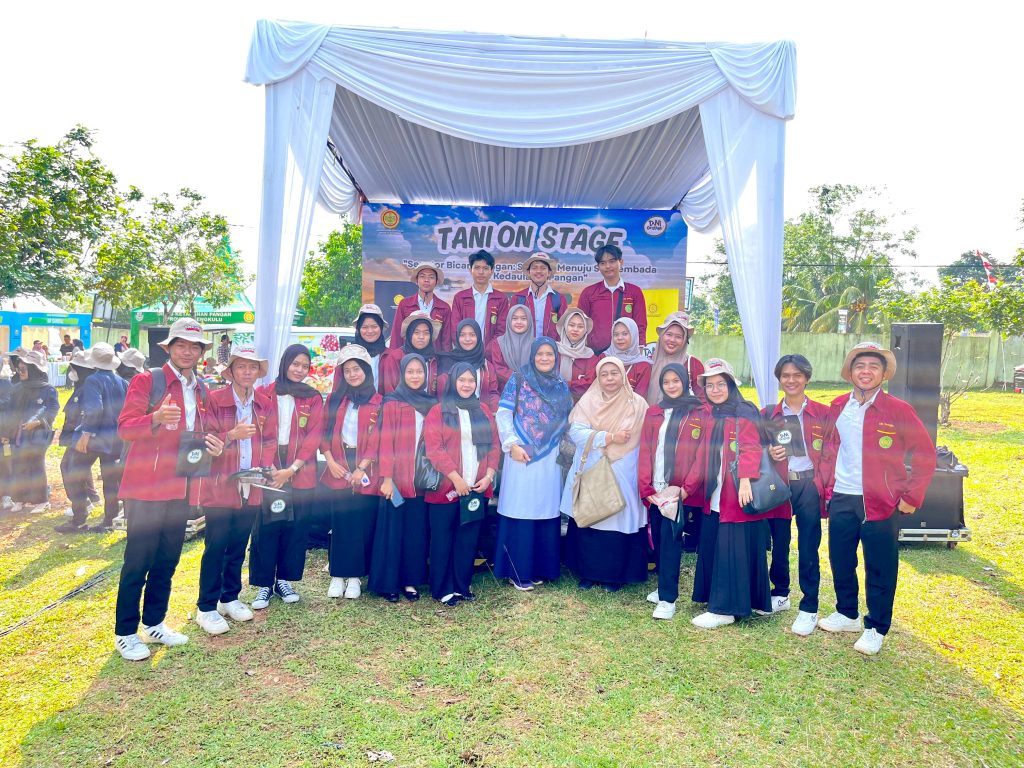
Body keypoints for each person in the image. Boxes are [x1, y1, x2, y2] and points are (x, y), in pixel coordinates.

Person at [114, 318, 225, 661]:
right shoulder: (148, 380)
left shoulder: (201, 388)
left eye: (194, 347)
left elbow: (207, 431)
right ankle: (125, 632)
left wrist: (215, 444)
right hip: (146, 487)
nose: (188, 352)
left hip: (182, 485)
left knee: (167, 559)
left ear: (202, 352)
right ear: (169, 347)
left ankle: (154, 622)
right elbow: (124, 428)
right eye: (181, 345)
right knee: (137, 561)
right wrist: (155, 418)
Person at [817, 342, 935, 655]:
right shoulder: (838, 406)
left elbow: (925, 453)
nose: (866, 372)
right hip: (842, 496)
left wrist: (911, 496)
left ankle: (876, 627)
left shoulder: (898, 409)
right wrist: (827, 489)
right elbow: (829, 449)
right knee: (841, 558)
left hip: (880, 501)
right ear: (850, 372)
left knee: (880, 566)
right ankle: (847, 613)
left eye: (873, 366)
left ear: (883, 374)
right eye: (860, 366)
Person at [682, 359, 771, 629]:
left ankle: (725, 609)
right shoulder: (713, 415)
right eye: (710, 385)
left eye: (721, 384)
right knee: (716, 543)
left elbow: (751, 448)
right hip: (716, 493)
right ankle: (725, 597)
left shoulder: (744, 411)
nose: (715, 390)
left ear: (731, 385)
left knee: (732, 547)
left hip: (737, 493)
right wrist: (686, 489)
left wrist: (745, 481)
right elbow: (702, 457)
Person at [194, 344, 277, 635]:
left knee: (239, 544)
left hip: (251, 485)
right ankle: (206, 606)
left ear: (258, 372)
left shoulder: (264, 402)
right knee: (216, 545)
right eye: (241, 366)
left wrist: (264, 466)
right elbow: (205, 438)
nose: (247, 372)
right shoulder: (215, 399)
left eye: (252, 367)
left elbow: (270, 439)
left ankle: (229, 597)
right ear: (230, 371)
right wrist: (231, 435)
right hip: (220, 484)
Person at [561, 357, 649, 591]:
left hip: (625, 466)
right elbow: (576, 432)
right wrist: (608, 437)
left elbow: (642, 437)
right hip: (593, 464)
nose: (609, 378)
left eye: (614, 373)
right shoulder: (588, 400)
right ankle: (587, 573)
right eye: (604, 374)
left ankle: (614, 576)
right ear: (598, 377)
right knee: (591, 516)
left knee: (618, 518)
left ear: (623, 375)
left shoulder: (637, 404)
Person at [494, 338, 573, 590]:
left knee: (544, 508)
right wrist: (511, 444)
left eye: (549, 354)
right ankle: (517, 571)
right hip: (521, 452)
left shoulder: (560, 385)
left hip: (549, 455)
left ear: (556, 357)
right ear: (532, 355)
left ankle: (540, 568)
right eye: (540, 353)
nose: (545, 358)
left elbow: (566, 421)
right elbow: (504, 414)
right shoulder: (519, 379)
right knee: (521, 507)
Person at [250, 344, 324, 610]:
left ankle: (284, 581)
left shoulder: (312, 397)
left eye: (305, 366)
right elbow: (256, 432)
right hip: (269, 468)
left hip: (300, 468)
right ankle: (263, 584)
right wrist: (269, 467)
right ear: (285, 363)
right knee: (267, 526)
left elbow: (314, 435)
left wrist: (292, 469)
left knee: (296, 527)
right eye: (295, 364)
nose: (299, 370)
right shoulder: (264, 392)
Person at [761, 354, 829, 636]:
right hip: (779, 486)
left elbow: (832, 450)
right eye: (785, 375)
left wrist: (824, 485)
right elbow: (753, 445)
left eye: (797, 375)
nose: (791, 380)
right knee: (779, 542)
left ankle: (809, 606)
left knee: (809, 544)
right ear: (779, 379)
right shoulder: (768, 414)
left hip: (808, 485)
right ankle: (780, 593)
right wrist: (768, 450)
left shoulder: (823, 413)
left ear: (807, 378)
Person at [424, 363, 500, 605]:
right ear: (453, 382)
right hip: (446, 489)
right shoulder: (438, 411)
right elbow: (435, 449)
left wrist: (488, 476)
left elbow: (494, 445)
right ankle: (442, 588)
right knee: (443, 539)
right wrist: (456, 479)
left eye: (471, 380)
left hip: (477, 488)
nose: (467, 385)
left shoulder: (483, 411)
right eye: (462, 380)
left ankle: (461, 585)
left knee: (467, 539)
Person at [638, 363, 705, 619]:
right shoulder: (655, 412)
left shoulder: (698, 412)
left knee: (670, 543)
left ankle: (668, 599)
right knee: (657, 540)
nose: (671, 386)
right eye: (666, 382)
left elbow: (702, 456)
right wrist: (646, 487)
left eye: (676, 380)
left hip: (678, 491)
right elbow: (646, 450)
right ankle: (662, 586)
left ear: (685, 382)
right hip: (656, 488)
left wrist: (685, 490)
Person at [370, 354, 434, 602]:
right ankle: (388, 583)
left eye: (419, 371)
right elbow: (385, 442)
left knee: (415, 531)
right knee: (392, 529)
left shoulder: (431, 403)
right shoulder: (392, 402)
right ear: (402, 374)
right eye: (410, 372)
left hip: (419, 481)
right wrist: (386, 478)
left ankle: (410, 581)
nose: (415, 376)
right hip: (395, 481)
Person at [322, 345, 382, 600]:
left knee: (360, 522)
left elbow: (379, 438)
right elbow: (323, 432)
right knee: (340, 521)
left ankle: (355, 577)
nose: (352, 374)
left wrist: (362, 468)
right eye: (347, 370)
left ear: (366, 371)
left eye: (356, 369)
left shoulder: (378, 401)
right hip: (338, 463)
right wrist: (330, 460)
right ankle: (337, 575)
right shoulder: (335, 399)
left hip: (365, 466)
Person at [74, 343, 131, 532]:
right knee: (112, 479)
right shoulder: (122, 381)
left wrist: (86, 433)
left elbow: (95, 408)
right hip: (119, 435)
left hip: (99, 436)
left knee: (75, 470)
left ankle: (84, 515)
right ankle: (112, 517)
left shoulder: (93, 380)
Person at [3, 350, 59, 515]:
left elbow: (52, 409)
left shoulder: (48, 389)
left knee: (36, 466)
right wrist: (5, 433)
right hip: (18, 434)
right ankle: (19, 498)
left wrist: (38, 422)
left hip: (38, 435)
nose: (20, 372)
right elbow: (10, 412)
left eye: (23, 369)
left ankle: (42, 500)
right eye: (19, 369)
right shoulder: (18, 388)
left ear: (34, 370)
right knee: (19, 465)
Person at [55, 349, 98, 533]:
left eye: (74, 368)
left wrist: (84, 435)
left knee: (69, 468)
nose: (71, 372)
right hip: (78, 436)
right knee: (77, 469)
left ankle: (80, 511)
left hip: (82, 437)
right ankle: (88, 501)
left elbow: (90, 413)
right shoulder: (82, 386)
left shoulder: (88, 388)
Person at [576, 244, 647, 354]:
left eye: (612, 261)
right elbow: (581, 324)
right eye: (603, 263)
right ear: (598, 267)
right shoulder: (588, 293)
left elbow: (640, 323)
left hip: (627, 354)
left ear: (621, 262)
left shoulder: (634, 292)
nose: (607, 266)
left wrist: (640, 348)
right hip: (596, 354)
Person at [437, 319, 500, 412]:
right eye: (462, 335)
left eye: (472, 335)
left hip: (480, 414)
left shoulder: (486, 365)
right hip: (453, 414)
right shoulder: (447, 362)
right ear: (457, 337)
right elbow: (441, 391)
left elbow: (493, 393)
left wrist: (490, 413)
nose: (467, 339)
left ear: (478, 337)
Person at [450, 250, 510, 346]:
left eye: (485, 268)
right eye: (477, 268)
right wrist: (467, 349)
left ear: (492, 271)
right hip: (465, 351)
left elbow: (502, 330)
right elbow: (455, 329)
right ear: (470, 270)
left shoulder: (501, 298)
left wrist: (489, 350)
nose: (481, 272)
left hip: (491, 352)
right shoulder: (460, 298)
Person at [389, 262, 452, 350]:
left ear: (437, 281)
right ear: (416, 280)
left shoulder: (444, 307)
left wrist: (445, 357)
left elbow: (446, 340)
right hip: (409, 356)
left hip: (434, 357)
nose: (426, 280)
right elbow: (397, 334)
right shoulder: (404, 304)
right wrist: (394, 356)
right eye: (422, 276)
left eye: (431, 277)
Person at [647, 311, 705, 404]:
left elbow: (702, 401)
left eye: (678, 337)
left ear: (685, 340)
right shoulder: (647, 363)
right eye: (669, 334)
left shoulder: (693, 365)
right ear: (661, 335)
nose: (672, 340)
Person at [379, 311, 442, 395]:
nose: (421, 337)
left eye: (426, 333)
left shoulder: (434, 359)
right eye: (416, 332)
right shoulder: (395, 357)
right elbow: (390, 391)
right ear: (409, 334)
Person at [511, 253, 568, 340]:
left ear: (549, 273)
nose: (538, 271)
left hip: (551, 348)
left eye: (543, 268)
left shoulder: (559, 299)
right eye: (534, 268)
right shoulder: (518, 298)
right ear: (529, 272)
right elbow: (510, 328)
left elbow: (564, 330)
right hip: (523, 348)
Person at [553, 309, 600, 402]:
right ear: (564, 326)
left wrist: (563, 384)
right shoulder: (553, 351)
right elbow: (547, 379)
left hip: (581, 405)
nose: (575, 329)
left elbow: (588, 384)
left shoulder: (590, 357)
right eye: (571, 325)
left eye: (580, 326)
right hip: (552, 402)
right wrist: (574, 384)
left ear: (585, 330)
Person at [487, 305, 535, 392]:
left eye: (524, 318)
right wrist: (519, 379)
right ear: (509, 320)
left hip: (532, 392)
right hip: (505, 392)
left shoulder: (537, 344)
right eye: (515, 318)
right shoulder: (498, 343)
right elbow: (498, 368)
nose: (519, 322)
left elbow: (539, 369)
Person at [603, 318, 652, 399]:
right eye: (616, 334)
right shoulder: (604, 359)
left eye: (625, 334)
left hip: (632, 406)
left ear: (633, 335)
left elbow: (640, 398)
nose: (619, 338)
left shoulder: (643, 366)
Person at [353, 303, 388, 388]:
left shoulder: (391, 356)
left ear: (381, 328)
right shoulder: (349, 356)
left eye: (374, 326)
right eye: (364, 327)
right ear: (358, 329)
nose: (370, 331)